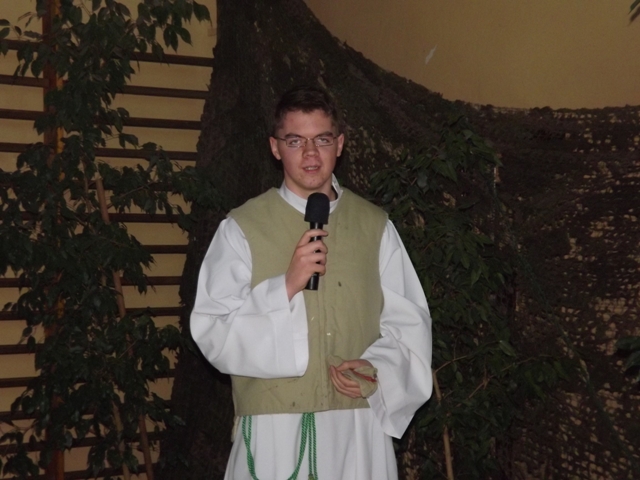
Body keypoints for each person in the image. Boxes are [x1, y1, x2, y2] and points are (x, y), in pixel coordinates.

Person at [190, 85, 432, 480]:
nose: (310, 154)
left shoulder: (375, 227)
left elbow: (410, 324)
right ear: (275, 148)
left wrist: (378, 368)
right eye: (295, 141)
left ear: (340, 144)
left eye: (322, 139)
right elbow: (213, 330)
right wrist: (286, 286)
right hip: (275, 427)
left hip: (356, 428)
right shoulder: (241, 228)